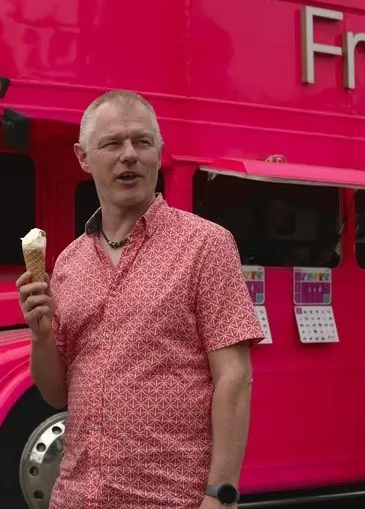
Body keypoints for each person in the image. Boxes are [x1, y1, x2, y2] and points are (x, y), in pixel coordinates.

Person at [17, 90, 266, 509]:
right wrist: (40, 335)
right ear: (83, 157)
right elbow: (56, 395)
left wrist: (220, 494)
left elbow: (234, 377)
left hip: (172, 499)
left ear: (158, 153)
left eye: (142, 142)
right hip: (76, 497)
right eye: (113, 143)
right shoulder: (68, 262)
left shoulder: (206, 245)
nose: (129, 155)